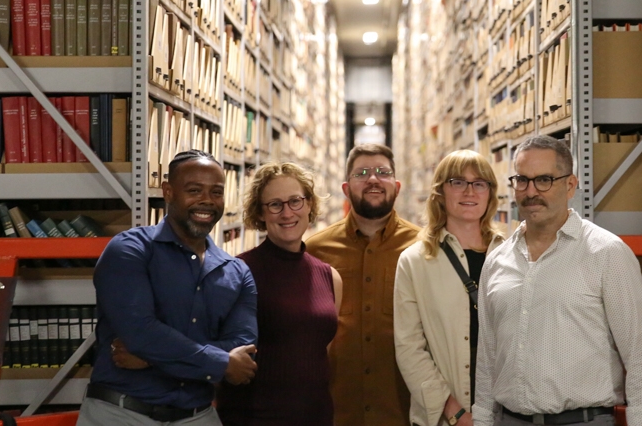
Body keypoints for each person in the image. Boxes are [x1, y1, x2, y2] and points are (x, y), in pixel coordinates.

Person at [473, 135, 642, 426]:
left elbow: (640, 354)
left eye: (545, 180)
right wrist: (482, 420)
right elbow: (488, 356)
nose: (531, 191)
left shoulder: (606, 253)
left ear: (570, 185)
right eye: (522, 180)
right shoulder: (497, 260)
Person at [76, 150, 258, 426]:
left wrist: (152, 357)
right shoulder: (130, 250)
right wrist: (220, 363)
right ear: (168, 192)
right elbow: (140, 332)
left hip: (198, 417)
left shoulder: (237, 272)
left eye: (216, 192)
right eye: (194, 190)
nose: (207, 201)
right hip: (121, 414)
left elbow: (242, 349)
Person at [216, 161, 343, 425]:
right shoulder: (238, 271)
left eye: (295, 201)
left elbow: (320, 351)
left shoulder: (329, 276)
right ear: (260, 213)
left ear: (309, 205)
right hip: (254, 417)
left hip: (316, 416)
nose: (287, 213)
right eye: (275, 205)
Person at [306, 143, 420, 426]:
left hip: (401, 412)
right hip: (336, 411)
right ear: (346, 188)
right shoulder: (314, 250)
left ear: (396, 186)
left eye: (383, 172)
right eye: (362, 173)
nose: (373, 179)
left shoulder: (424, 248)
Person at [395, 150, 504, 426]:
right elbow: (409, 347)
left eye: (480, 183)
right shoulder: (416, 261)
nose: (470, 191)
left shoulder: (512, 254)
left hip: (509, 413)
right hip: (448, 417)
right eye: (458, 182)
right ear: (440, 193)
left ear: (490, 193)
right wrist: (455, 412)